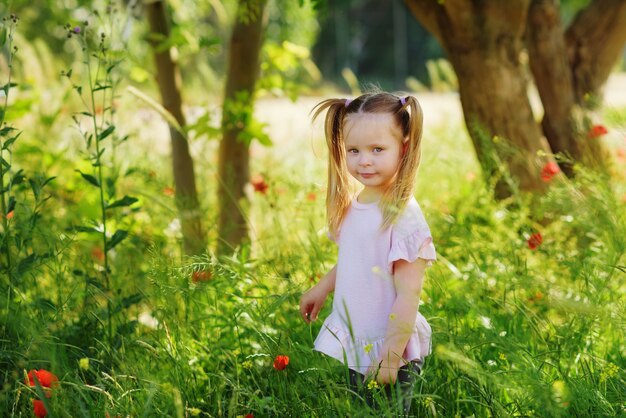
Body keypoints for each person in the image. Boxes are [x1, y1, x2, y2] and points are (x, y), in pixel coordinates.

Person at [299, 92, 436, 414]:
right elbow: (354, 260)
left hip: (390, 346)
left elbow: (409, 293)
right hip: (358, 337)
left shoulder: (401, 214)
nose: (364, 161)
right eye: (354, 151)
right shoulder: (357, 203)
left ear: (404, 146)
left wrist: (390, 356)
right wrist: (322, 287)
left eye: (377, 149)